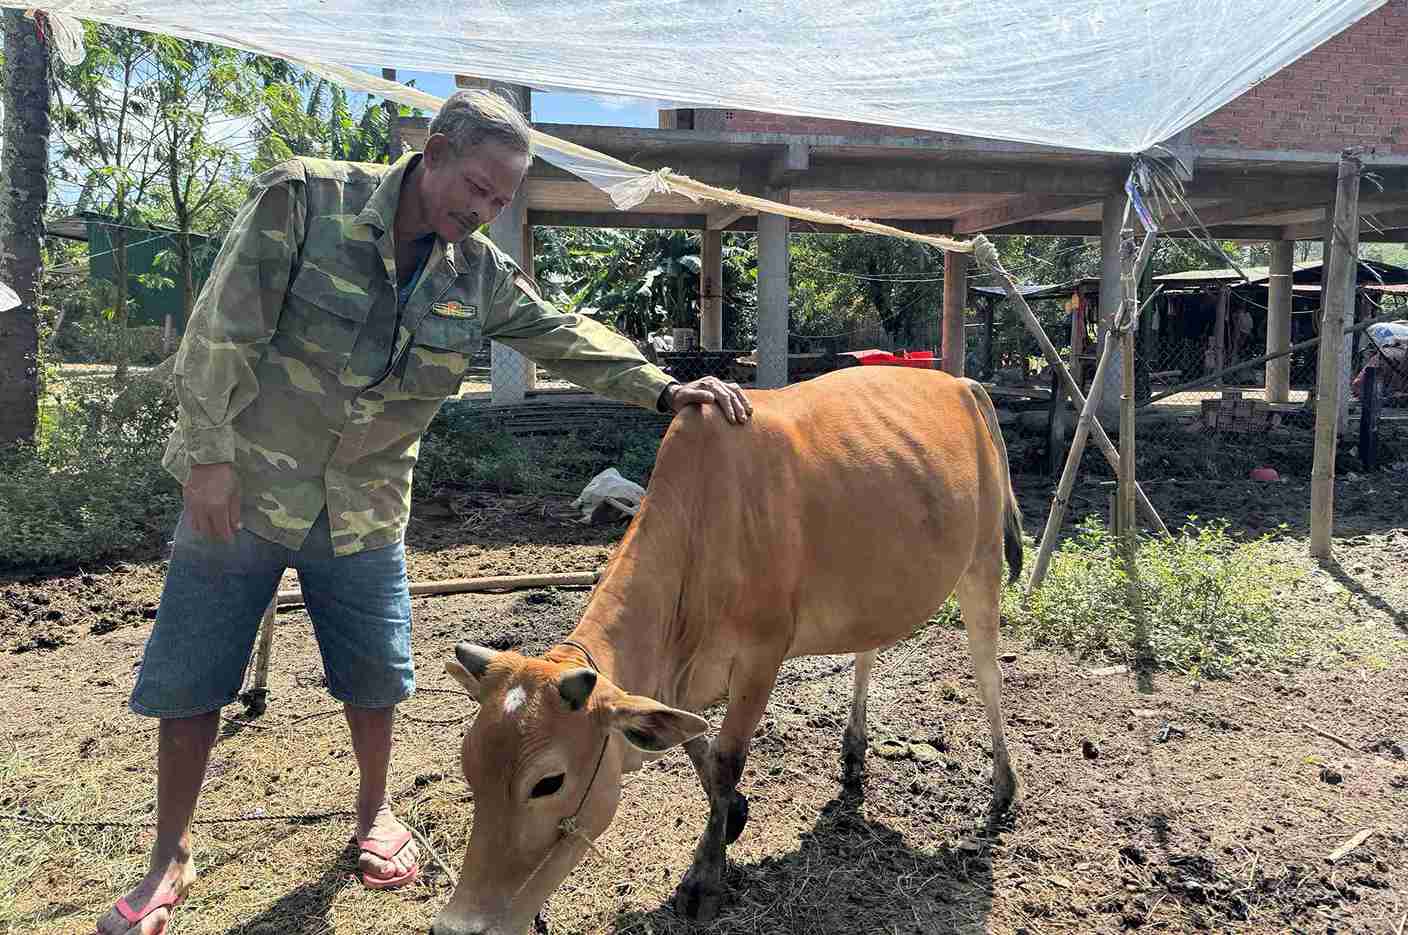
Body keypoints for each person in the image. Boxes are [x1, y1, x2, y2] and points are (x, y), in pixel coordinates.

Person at [96, 89, 751, 935]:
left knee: (376, 677)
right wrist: (210, 460)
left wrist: (662, 387)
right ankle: (168, 853)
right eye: (475, 188)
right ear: (433, 152)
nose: (480, 212)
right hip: (248, 491)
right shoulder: (303, 199)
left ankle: (373, 815)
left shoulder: (473, 273)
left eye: (499, 202)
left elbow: (560, 332)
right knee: (193, 676)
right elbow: (220, 328)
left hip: (364, 508)